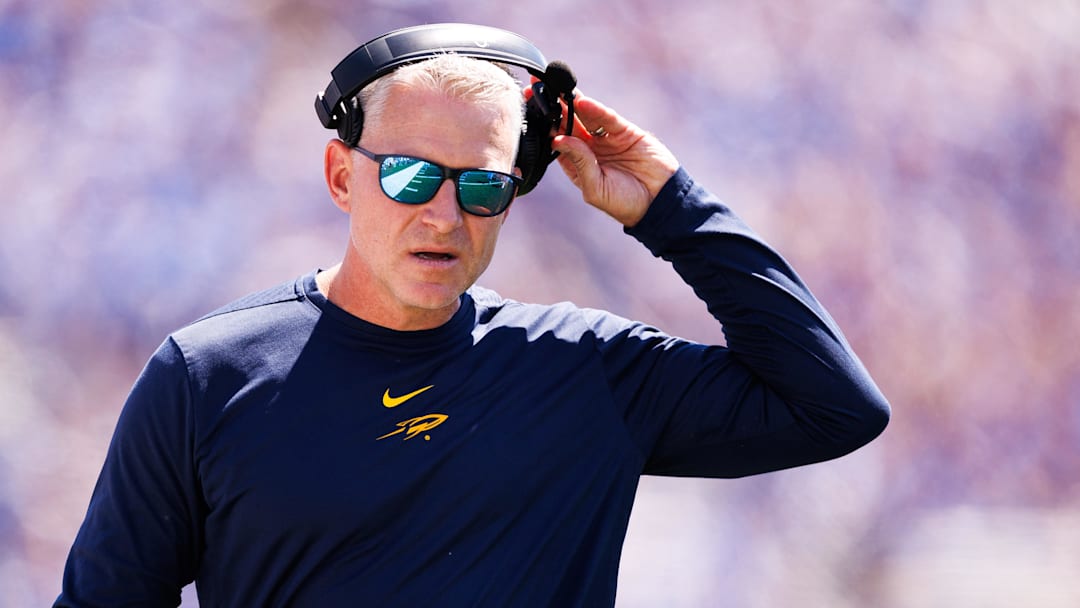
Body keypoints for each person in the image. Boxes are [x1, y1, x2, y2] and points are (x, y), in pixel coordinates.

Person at [55, 26, 890, 608]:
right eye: (412, 178)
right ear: (342, 178)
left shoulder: (585, 371)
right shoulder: (207, 374)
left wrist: (671, 208)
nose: (446, 215)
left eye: (482, 185)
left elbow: (834, 407)